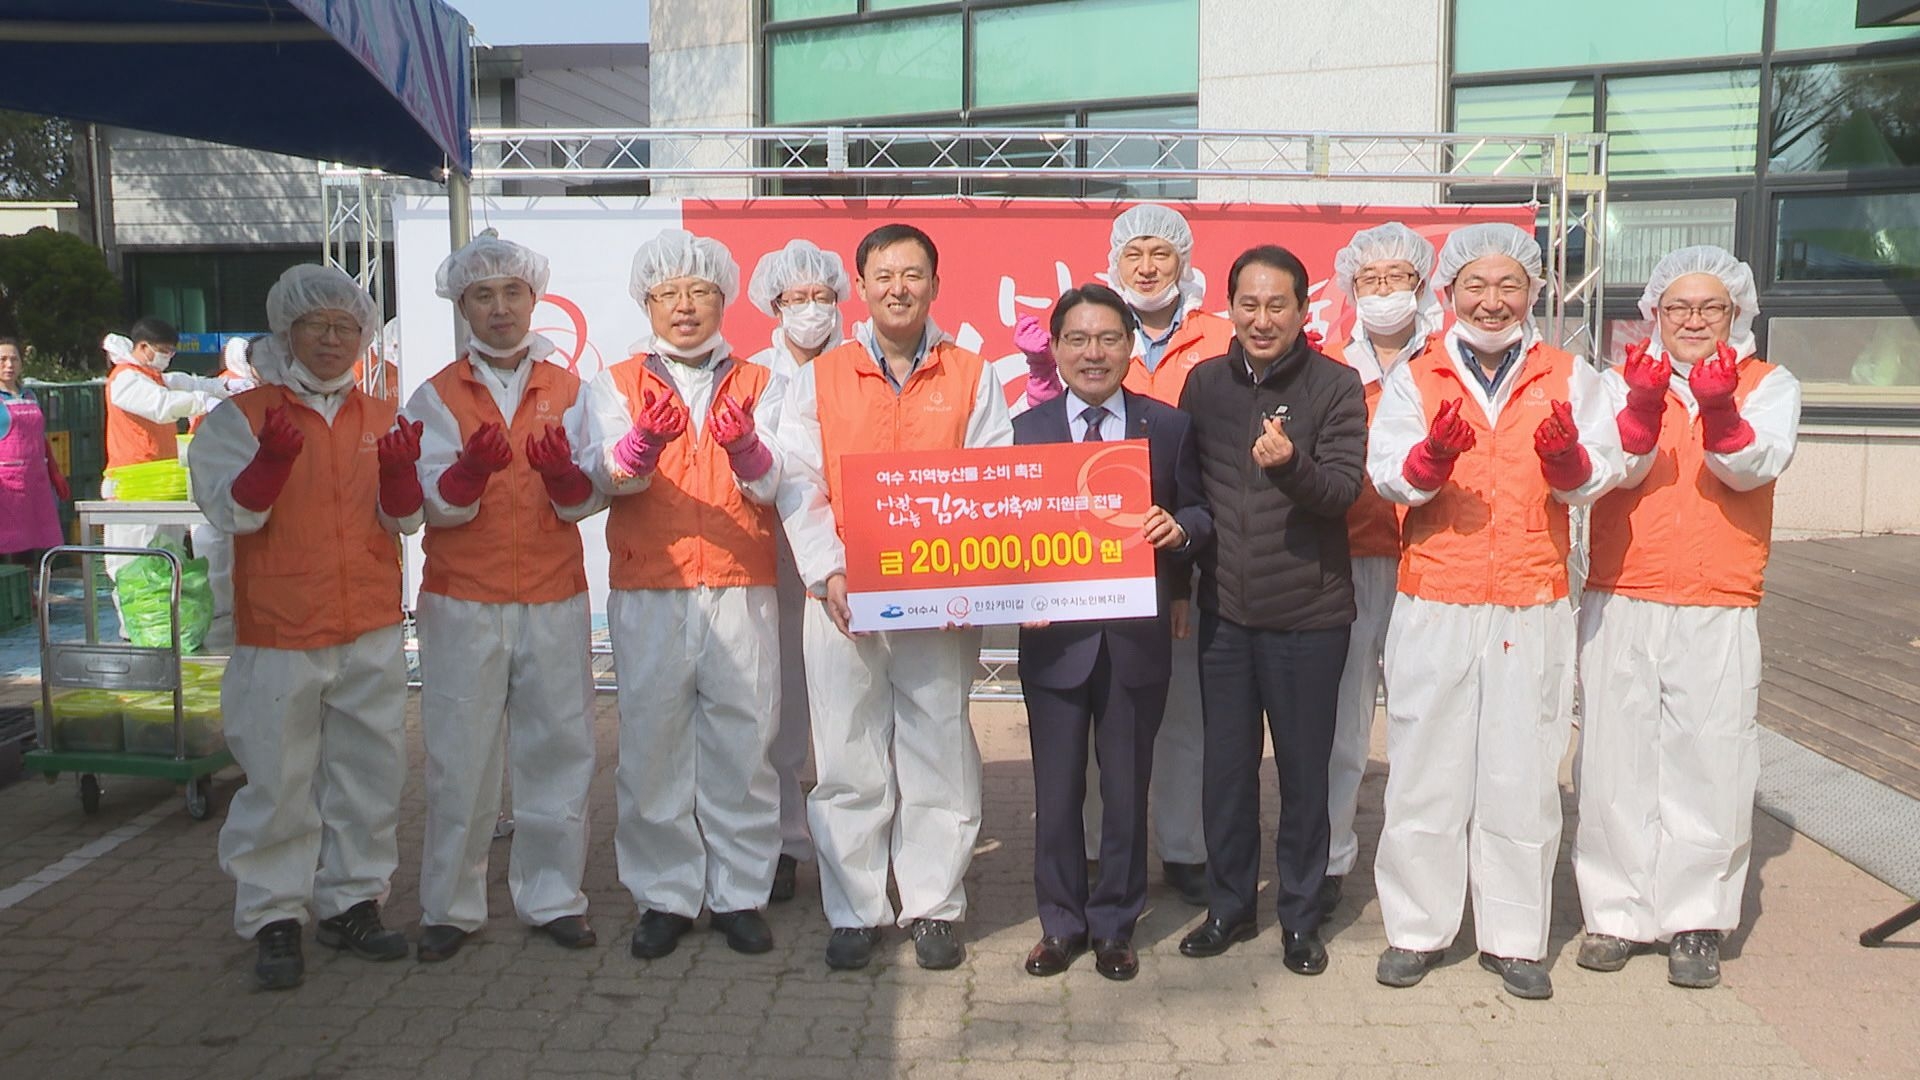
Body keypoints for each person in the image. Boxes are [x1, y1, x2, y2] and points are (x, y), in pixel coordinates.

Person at [1366, 222, 1625, 1001]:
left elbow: (1602, 472)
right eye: (1474, 285)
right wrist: (1430, 459)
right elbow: (1388, 477)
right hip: (1437, 595)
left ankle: (1514, 937)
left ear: (1535, 292)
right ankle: (1418, 928)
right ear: (1445, 294)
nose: (1490, 300)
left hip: (1529, 597)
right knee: (1424, 767)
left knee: (1522, 771)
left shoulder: (1571, 374)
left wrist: (1570, 461)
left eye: (1508, 284)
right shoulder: (1418, 375)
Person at [778, 222, 1014, 972]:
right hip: (844, 598)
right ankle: (854, 908)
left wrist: (960, 578)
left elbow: (991, 478)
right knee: (847, 753)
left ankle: (934, 905)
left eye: (913, 274)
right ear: (863, 286)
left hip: (937, 601)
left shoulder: (975, 374)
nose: (898, 288)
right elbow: (797, 482)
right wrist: (829, 571)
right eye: (883, 275)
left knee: (937, 744)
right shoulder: (820, 377)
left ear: (936, 286)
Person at [187, 265, 425, 991]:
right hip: (280, 629)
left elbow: (406, 520)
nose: (330, 338)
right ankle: (274, 918)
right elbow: (230, 513)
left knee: (369, 776)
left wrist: (402, 479)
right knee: (279, 782)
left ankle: (354, 904)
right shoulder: (241, 417)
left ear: (362, 336)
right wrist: (270, 462)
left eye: (345, 326)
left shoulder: (383, 416)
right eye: (315, 325)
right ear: (284, 330)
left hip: (370, 626)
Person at [1573, 245, 1801, 989]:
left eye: (1711, 308)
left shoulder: (1770, 384)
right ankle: (1615, 912)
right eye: (1678, 307)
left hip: (1717, 596)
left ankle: (1696, 919)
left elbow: (1751, 466)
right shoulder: (1618, 382)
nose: (1694, 320)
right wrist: (1640, 406)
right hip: (1624, 588)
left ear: (1738, 313)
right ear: (1654, 316)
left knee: (1710, 758)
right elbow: (1608, 469)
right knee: (1615, 755)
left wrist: (1718, 405)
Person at [579, 229, 787, 962]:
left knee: (742, 743)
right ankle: (665, 895)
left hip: (741, 585)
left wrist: (746, 449)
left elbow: (777, 483)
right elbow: (599, 475)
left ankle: (738, 894)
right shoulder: (614, 383)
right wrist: (637, 445)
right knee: (651, 745)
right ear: (647, 302)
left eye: (699, 291)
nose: (684, 306)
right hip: (651, 586)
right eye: (667, 293)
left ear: (724, 298)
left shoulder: (764, 381)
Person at [1020, 202, 1234, 907]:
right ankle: (1060, 917)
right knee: (1057, 786)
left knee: (1132, 776)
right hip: (1054, 635)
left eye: (1108, 339)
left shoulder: (1168, 422)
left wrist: (1181, 544)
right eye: (1078, 340)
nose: (1094, 352)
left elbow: (1201, 506)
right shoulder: (1024, 431)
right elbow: (1000, 530)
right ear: (1056, 349)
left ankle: (1118, 915)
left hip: (1142, 621)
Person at [406, 234, 604, 962]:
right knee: (461, 760)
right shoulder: (435, 393)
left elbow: (592, 492)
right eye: (482, 296)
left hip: (553, 592)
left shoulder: (571, 387)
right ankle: (450, 909)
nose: (499, 308)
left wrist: (565, 481)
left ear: (534, 299)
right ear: (461, 306)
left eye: (511, 293)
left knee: (559, 750)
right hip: (464, 598)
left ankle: (554, 898)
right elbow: (423, 501)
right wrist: (463, 475)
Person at [1172, 245, 1366, 976]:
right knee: (1225, 769)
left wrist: (1290, 466)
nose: (1261, 319)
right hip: (1224, 612)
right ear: (1229, 307)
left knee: (1303, 771)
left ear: (1301, 310)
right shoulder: (1205, 385)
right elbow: (1190, 494)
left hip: (1308, 618)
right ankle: (1227, 908)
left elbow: (1343, 493)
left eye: (1276, 304)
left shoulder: (1336, 386)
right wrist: (1181, 588)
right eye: (1247, 304)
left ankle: (1299, 916)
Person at [1317, 223, 1445, 915]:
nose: (1386, 291)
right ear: (1350, 289)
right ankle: (1334, 858)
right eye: (1371, 280)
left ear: (1423, 286)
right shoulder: (1333, 369)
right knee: (1344, 723)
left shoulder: (1450, 365)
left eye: (1399, 278)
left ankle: (1423, 868)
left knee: (1425, 723)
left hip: (1433, 562)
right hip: (1353, 559)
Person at [744, 238, 852, 905]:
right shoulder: (755, 373)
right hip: (773, 561)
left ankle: (854, 842)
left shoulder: (862, 366)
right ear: (772, 304)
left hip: (854, 560)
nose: (810, 309)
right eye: (796, 298)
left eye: (822, 297)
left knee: (850, 709)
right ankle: (783, 841)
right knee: (777, 706)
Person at [101, 319, 240, 614]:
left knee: (166, 557)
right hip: (132, 486)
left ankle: (164, 623)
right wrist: (202, 402)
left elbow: (188, 382)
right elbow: (161, 405)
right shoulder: (126, 379)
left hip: (159, 483)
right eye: (163, 351)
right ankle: (135, 627)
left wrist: (223, 386)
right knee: (134, 561)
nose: (168, 357)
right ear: (143, 347)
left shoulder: (152, 376)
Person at [192, 335, 262, 650]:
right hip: (223, 486)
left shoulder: (249, 388)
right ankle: (222, 610)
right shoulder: (228, 389)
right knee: (216, 551)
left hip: (243, 487)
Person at [0, 337, 69, 579]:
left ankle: (28, 594)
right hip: (6, 485)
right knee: (6, 541)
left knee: (30, 542)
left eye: (14, 359)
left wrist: (55, 473)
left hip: (35, 481)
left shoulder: (29, 395)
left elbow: (41, 438)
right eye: (2, 360)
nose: (9, 365)